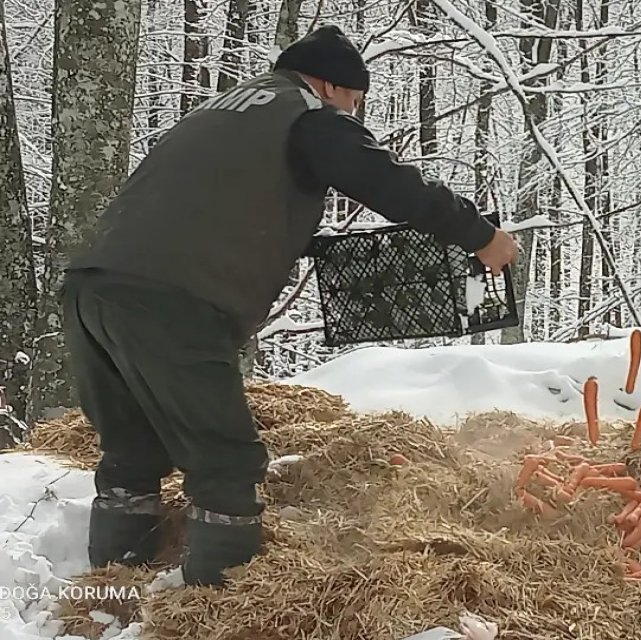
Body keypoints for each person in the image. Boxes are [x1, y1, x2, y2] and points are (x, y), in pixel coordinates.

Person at [60, 25, 518, 586]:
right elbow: (387, 181)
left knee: (131, 454)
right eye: (353, 102)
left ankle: (110, 591)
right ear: (328, 85)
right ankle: (219, 605)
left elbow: (214, 207)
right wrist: (479, 235)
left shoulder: (221, 112)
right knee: (225, 463)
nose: (354, 114)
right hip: (171, 303)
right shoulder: (306, 116)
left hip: (90, 289)